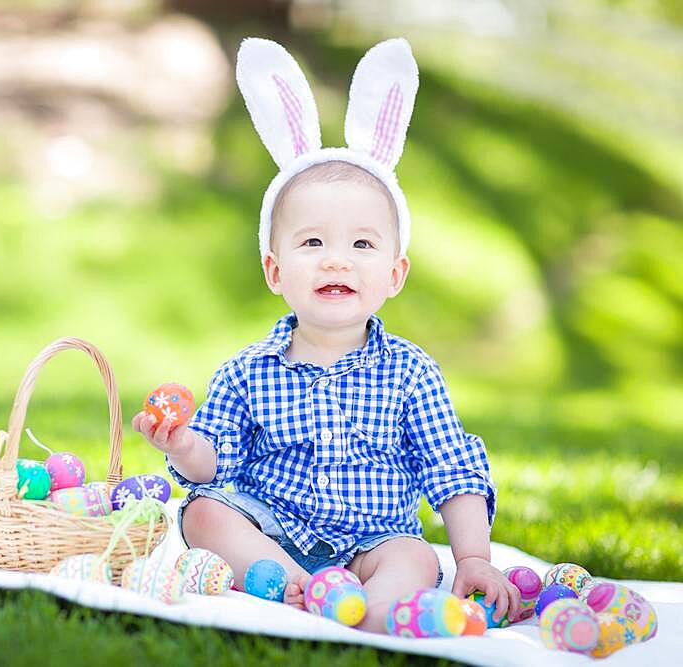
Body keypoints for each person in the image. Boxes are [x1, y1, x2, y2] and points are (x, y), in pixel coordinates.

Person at [132, 37, 519, 633]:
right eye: (313, 243)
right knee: (204, 513)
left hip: (375, 538)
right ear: (275, 269)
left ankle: (374, 607)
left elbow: (453, 469)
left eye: (362, 244)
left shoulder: (411, 373)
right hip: (276, 528)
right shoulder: (248, 370)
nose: (337, 261)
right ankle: (299, 587)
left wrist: (473, 558)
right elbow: (215, 462)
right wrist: (181, 445)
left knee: (415, 557)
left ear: (395, 274)